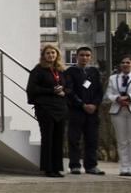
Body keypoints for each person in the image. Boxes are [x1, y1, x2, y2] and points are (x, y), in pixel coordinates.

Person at [27, 44, 68, 178]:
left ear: (57, 55)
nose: (51, 55)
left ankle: (57, 168)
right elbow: (32, 89)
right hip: (45, 109)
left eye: (53, 53)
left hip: (60, 109)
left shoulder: (60, 71)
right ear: (43, 55)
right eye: (48, 53)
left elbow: (68, 87)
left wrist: (64, 92)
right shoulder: (38, 70)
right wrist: (51, 91)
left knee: (58, 139)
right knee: (48, 138)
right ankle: (48, 168)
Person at [63, 47, 105, 175]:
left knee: (92, 139)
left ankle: (91, 165)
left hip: (92, 112)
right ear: (77, 56)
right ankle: (75, 165)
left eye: (87, 55)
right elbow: (69, 91)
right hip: (76, 111)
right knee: (74, 139)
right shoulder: (70, 71)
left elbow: (99, 91)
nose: (84, 58)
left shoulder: (94, 72)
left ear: (91, 57)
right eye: (82, 55)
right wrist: (82, 104)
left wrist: (94, 105)